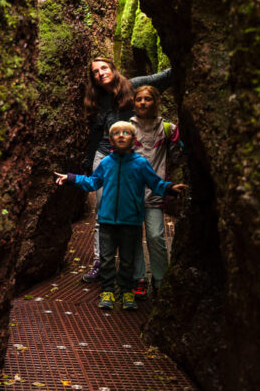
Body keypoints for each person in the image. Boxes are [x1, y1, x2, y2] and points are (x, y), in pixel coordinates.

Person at [55, 121, 188, 310]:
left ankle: (127, 291)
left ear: (134, 140)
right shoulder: (106, 163)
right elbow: (93, 182)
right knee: (107, 259)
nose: (121, 135)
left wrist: (170, 188)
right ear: (111, 140)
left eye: (126, 133)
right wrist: (71, 178)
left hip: (131, 221)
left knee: (128, 259)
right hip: (107, 220)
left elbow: (155, 183)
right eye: (117, 133)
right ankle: (108, 290)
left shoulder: (141, 164)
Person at [80, 57, 173, 283]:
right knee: (104, 209)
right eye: (95, 72)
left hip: (133, 155)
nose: (101, 73)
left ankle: (136, 271)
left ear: (113, 69)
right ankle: (100, 262)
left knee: (133, 214)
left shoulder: (133, 86)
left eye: (104, 68)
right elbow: (94, 134)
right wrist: (88, 161)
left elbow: (164, 78)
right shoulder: (97, 99)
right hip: (105, 157)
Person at [130, 86, 184, 299]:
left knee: (156, 236)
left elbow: (177, 157)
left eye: (148, 99)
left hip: (155, 191)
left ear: (156, 101)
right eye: (139, 99)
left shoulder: (167, 128)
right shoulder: (127, 128)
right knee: (133, 237)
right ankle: (139, 279)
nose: (143, 103)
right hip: (131, 192)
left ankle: (160, 280)